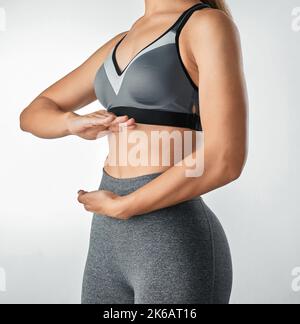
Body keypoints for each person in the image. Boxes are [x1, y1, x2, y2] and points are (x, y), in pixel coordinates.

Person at [20, 0, 248, 304]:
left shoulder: (205, 25)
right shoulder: (119, 43)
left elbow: (225, 158)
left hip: (171, 235)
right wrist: (71, 122)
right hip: (107, 236)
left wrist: (126, 206)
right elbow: (32, 114)